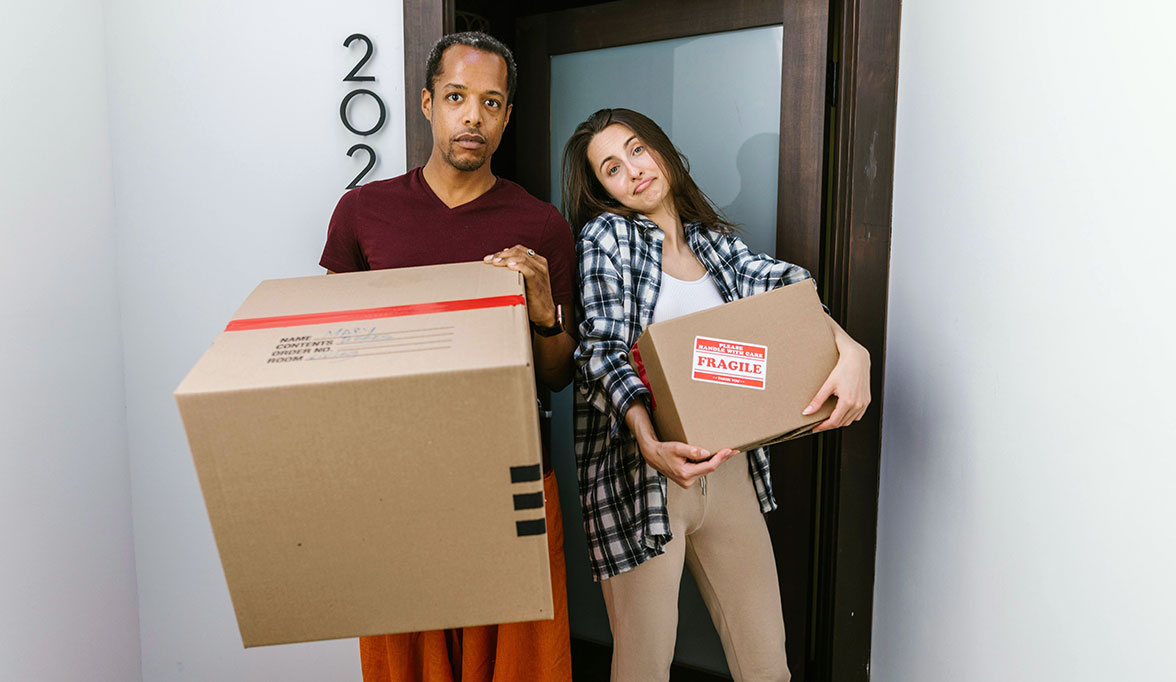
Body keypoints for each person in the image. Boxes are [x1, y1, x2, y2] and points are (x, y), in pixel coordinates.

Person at [562, 108, 872, 682]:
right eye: (611, 168)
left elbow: (787, 290)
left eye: (637, 149)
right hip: (644, 476)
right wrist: (651, 442)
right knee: (643, 668)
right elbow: (600, 350)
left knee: (766, 664)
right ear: (601, 189)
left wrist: (853, 351)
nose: (632, 169)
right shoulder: (608, 237)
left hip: (731, 470)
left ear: (662, 150)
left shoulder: (717, 246)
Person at [319, 32, 575, 682]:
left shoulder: (540, 223)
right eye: (458, 97)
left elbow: (558, 377)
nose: (473, 117)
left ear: (507, 115)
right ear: (429, 102)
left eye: (491, 102)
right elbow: (329, 357)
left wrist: (545, 313)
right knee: (406, 669)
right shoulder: (362, 212)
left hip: (510, 477)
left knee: (520, 670)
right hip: (397, 481)